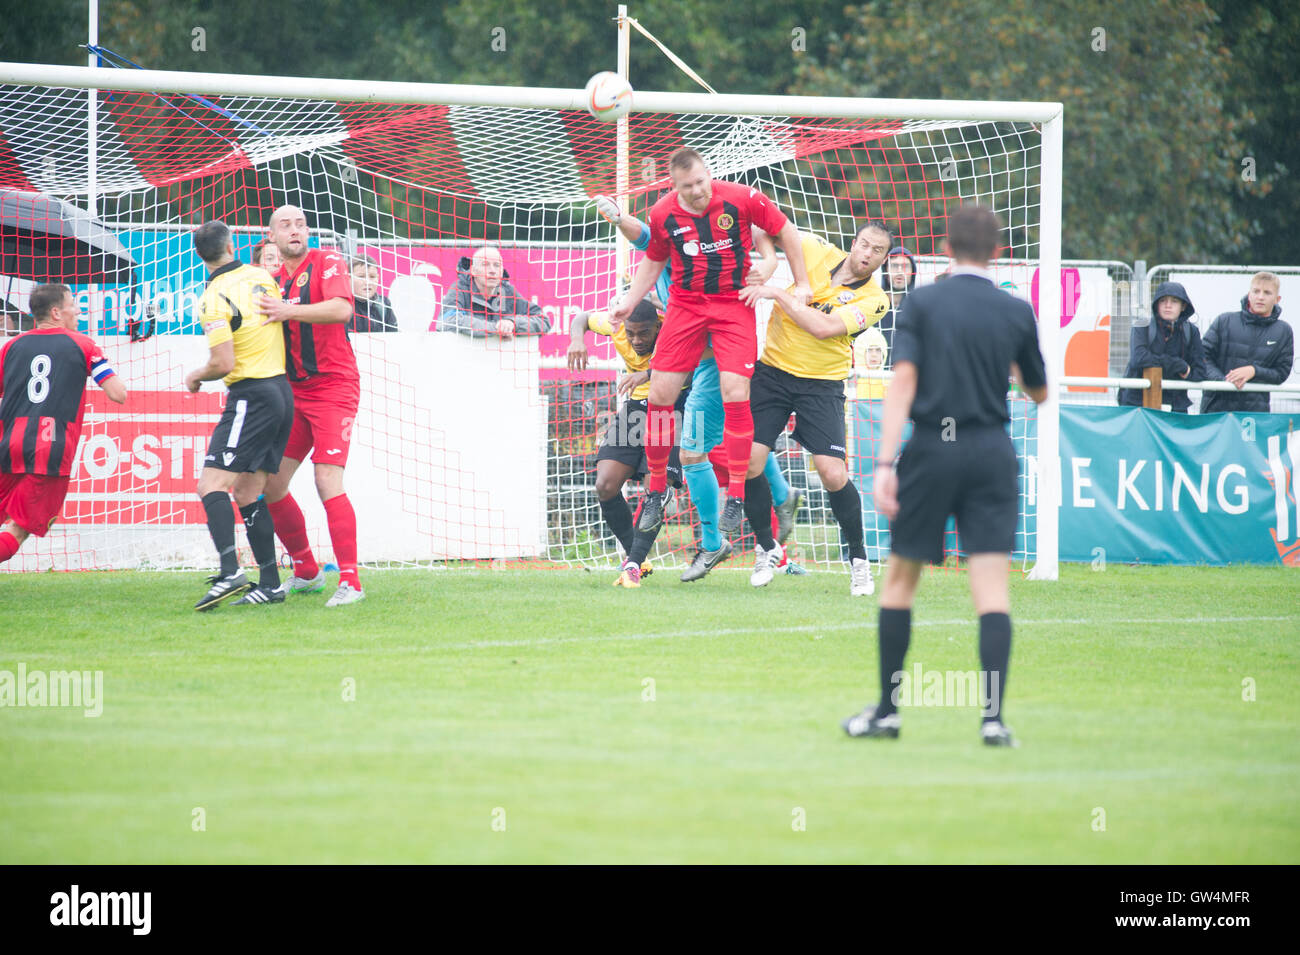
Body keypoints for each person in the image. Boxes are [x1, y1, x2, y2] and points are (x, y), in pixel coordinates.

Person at [841, 204, 1048, 748]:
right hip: (989, 450)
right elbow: (1039, 391)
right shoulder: (1015, 310)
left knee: (902, 580)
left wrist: (885, 462)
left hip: (932, 449)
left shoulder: (924, 303)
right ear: (999, 251)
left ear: (948, 248)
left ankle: (887, 712)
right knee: (992, 589)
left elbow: (902, 385)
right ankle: (993, 720)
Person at [608, 148, 811, 544]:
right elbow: (652, 257)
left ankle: (735, 494)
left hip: (733, 303)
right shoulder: (663, 213)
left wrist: (798, 281)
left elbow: (784, 229)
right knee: (662, 396)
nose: (698, 191)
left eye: (702, 182)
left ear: (709, 175)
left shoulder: (740, 197)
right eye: (689, 187)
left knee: (736, 391)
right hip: (685, 306)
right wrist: (630, 301)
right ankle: (655, 491)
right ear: (675, 187)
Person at [738, 225, 892, 594]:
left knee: (832, 473)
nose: (868, 253)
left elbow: (823, 328)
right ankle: (766, 547)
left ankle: (859, 562)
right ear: (853, 243)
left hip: (822, 385)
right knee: (747, 462)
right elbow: (764, 226)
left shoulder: (876, 300)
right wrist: (772, 261)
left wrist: (776, 291)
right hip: (772, 373)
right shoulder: (815, 249)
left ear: (884, 259)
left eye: (878, 251)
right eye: (865, 244)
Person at [256, 204, 365, 608]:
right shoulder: (270, 282)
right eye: (286, 225)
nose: (296, 230)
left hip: (335, 388)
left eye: (301, 223)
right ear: (273, 238)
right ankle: (305, 572)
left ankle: (351, 581)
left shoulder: (328, 261)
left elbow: (342, 309)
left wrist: (289, 311)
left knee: (326, 481)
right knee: (271, 485)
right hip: (294, 392)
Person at [185, 221, 294, 610]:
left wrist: (197, 375)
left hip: (251, 394)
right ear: (231, 245)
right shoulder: (263, 277)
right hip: (282, 392)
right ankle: (270, 583)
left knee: (211, 485)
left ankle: (230, 571)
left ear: (200, 257)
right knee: (249, 492)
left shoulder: (213, 297)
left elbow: (223, 362)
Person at [0, 284, 126, 565]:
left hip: (9, 445)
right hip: (50, 449)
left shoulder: (11, 346)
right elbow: (118, 394)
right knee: (17, 530)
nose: (79, 310)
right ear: (57, 312)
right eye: (73, 304)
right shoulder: (83, 344)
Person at [567, 299, 687, 586]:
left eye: (644, 333)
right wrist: (576, 341)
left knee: (654, 490)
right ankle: (639, 559)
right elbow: (581, 317)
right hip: (636, 408)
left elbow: (691, 366)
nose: (636, 340)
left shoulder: (673, 328)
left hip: (671, 405)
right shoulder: (615, 324)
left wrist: (646, 375)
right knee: (605, 485)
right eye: (631, 333)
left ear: (658, 326)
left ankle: (632, 562)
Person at [1200, 272, 1293, 415]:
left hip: (1255, 414)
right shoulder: (1224, 321)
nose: (1260, 297)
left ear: (1277, 299)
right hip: (1214, 410)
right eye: (1256, 291)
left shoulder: (1284, 331)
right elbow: (1202, 357)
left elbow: (1281, 373)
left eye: (1267, 292)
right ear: (1249, 294)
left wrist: (1254, 371)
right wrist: (1224, 382)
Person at [1117, 282, 1206, 413]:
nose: (1168, 305)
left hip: (1175, 408)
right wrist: (1178, 365)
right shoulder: (1142, 326)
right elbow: (1139, 359)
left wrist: (1187, 371)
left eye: (1174, 301)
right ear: (1156, 304)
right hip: (1137, 405)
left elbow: (1200, 372)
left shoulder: (1191, 331)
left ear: (1183, 306)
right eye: (1163, 300)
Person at [437, 244, 550, 338]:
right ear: (473, 270)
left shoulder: (508, 292)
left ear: (501, 271)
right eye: (485, 265)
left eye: (497, 266)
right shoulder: (459, 288)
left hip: (499, 361)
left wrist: (513, 324)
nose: (492, 271)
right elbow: (447, 320)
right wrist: (497, 328)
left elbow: (543, 320)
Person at [877, 245, 915, 357]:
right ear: (885, 270)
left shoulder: (917, 309)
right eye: (894, 266)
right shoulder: (873, 306)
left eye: (905, 266)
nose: (899, 271)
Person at [349, 254, 398, 332]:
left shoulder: (384, 304)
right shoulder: (343, 305)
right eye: (361, 276)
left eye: (372, 277)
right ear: (349, 278)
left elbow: (393, 336)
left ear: (378, 278)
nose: (367, 282)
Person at [853, 326, 889, 399]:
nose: (874, 355)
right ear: (860, 353)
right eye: (869, 350)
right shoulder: (851, 380)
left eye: (878, 350)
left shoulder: (887, 381)